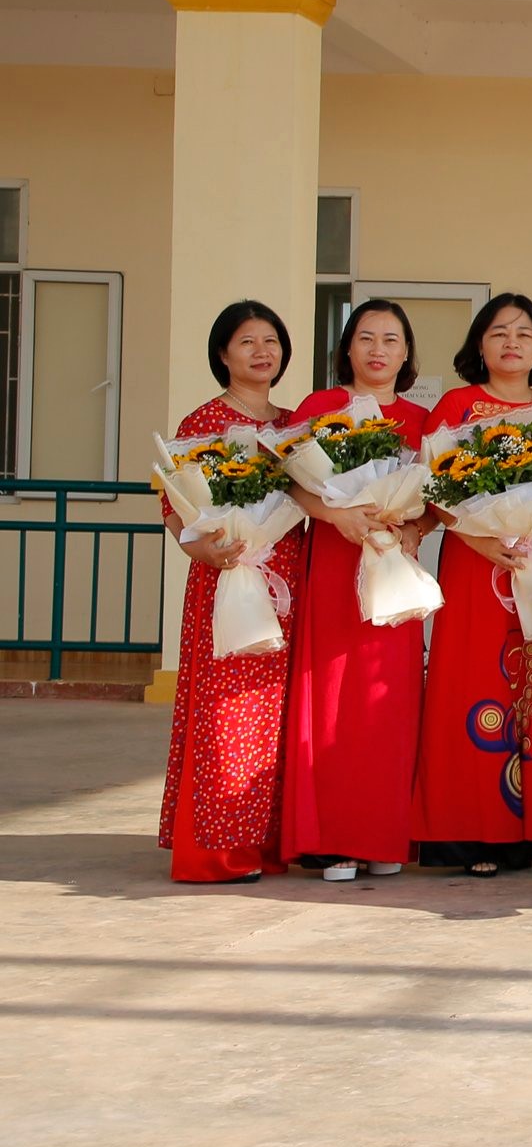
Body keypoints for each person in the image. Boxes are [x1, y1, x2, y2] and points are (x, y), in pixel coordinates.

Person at [410, 294, 532, 876]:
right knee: (466, 688)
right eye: (499, 332)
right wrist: (477, 538)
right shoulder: (457, 405)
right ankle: (461, 832)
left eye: (525, 333)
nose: (512, 342)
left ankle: (513, 834)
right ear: (480, 343)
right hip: (473, 568)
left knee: (529, 697)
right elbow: (430, 486)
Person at [279, 299, 430, 883]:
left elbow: (441, 496)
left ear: (407, 352)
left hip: (393, 570)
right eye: (366, 337)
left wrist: (415, 527)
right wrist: (332, 513)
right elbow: (289, 481)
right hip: (334, 567)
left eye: (391, 339)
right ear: (347, 347)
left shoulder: (421, 421)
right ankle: (331, 841)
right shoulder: (320, 409)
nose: (377, 350)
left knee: (386, 704)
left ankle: (381, 834)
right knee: (331, 698)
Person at [158, 300, 307, 884]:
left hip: (285, 580)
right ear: (223, 353)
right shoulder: (203, 423)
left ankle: (269, 842)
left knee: (278, 711)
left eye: (271, 341)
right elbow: (175, 504)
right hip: (226, 580)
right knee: (227, 712)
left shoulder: (294, 425)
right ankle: (218, 849)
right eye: (247, 342)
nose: (262, 352)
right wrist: (204, 551)